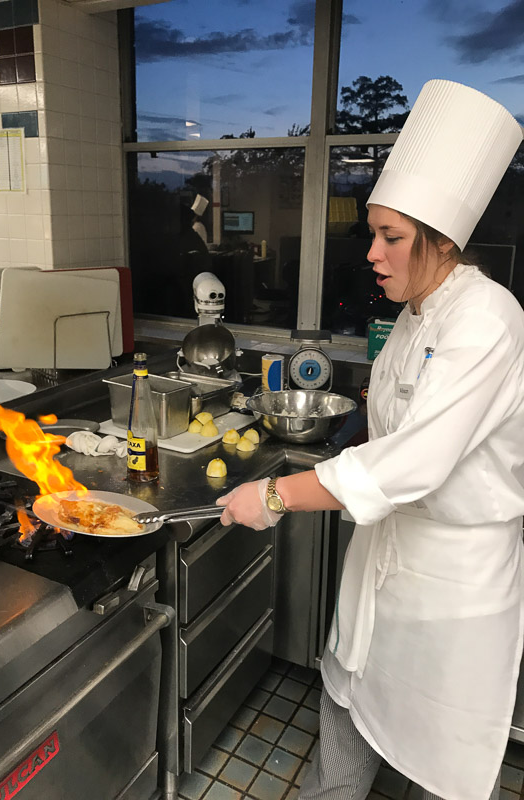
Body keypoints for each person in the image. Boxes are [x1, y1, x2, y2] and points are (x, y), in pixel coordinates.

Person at [216, 80, 524, 800]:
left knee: (431, 758)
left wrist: (276, 493)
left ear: (442, 241)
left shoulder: (487, 321)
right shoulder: (415, 314)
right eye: (374, 235)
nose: (374, 253)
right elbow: (389, 417)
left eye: (392, 237)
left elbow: (418, 457)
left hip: (450, 589)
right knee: (345, 696)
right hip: (382, 561)